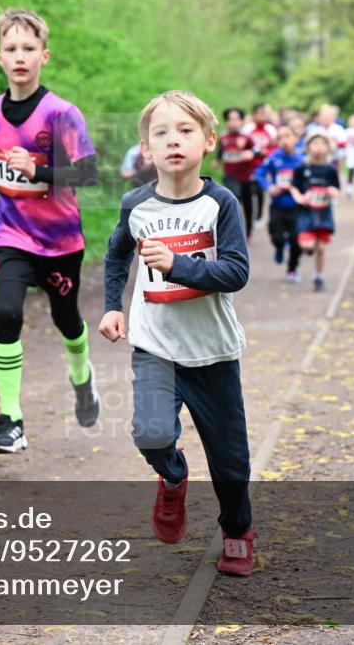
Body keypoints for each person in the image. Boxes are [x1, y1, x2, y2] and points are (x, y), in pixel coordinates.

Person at [99, 90, 257, 576]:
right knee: (149, 433)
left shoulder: (220, 203)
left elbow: (235, 272)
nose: (173, 141)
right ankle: (173, 476)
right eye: (161, 133)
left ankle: (237, 530)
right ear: (145, 149)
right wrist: (111, 308)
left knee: (230, 463)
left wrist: (178, 265)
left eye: (185, 131)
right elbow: (115, 256)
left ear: (208, 141)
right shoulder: (136, 205)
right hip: (155, 346)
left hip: (212, 351)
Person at [0, 8, 100, 454]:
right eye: (12, 49)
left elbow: (88, 175)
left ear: (44, 56)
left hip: (59, 240)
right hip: (11, 232)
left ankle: (82, 377)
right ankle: (10, 421)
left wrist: (39, 168)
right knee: (6, 314)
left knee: (66, 321)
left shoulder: (62, 114)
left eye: (29, 49)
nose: (20, 57)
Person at [290, 131, 340, 293]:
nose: (318, 147)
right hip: (306, 213)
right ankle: (307, 248)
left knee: (322, 248)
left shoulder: (330, 170)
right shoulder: (301, 168)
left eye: (322, 144)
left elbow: (336, 188)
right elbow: (293, 186)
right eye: (315, 143)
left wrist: (333, 191)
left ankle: (319, 275)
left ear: (328, 148)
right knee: (307, 245)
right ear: (308, 147)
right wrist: (299, 197)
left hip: (324, 213)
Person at [254, 126, 305, 283]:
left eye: (287, 136)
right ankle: (279, 247)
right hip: (278, 206)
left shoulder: (301, 160)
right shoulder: (273, 158)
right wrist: (269, 187)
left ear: (295, 139)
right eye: (280, 137)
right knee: (276, 235)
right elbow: (259, 173)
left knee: (297, 240)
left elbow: (309, 181)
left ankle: (292, 269)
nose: (284, 140)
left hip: (297, 207)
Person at [212, 108, 257, 241]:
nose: (233, 122)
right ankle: (234, 231)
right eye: (230, 120)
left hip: (246, 176)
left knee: (248, 205)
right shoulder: (223, 137)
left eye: (237, 119)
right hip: (230, 176)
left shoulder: (247, 138)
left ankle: (248, 231)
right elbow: (220, 152)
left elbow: (257, 151)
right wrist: (217, 161)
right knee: (234, 199)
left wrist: (252, 154)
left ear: (242, 121)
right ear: (226, 122)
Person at [240, 103, 279, 231]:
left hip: (263, 166)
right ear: (254, 114)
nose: (262, 116)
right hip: (248, 166)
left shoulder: (271, 129)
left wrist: (266, 153)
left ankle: (259, 216)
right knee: (246, 193)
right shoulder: (247, 129)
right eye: (260, 113)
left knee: (260, 190)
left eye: (265, 113)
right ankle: (245, 217)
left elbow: (274, 147)